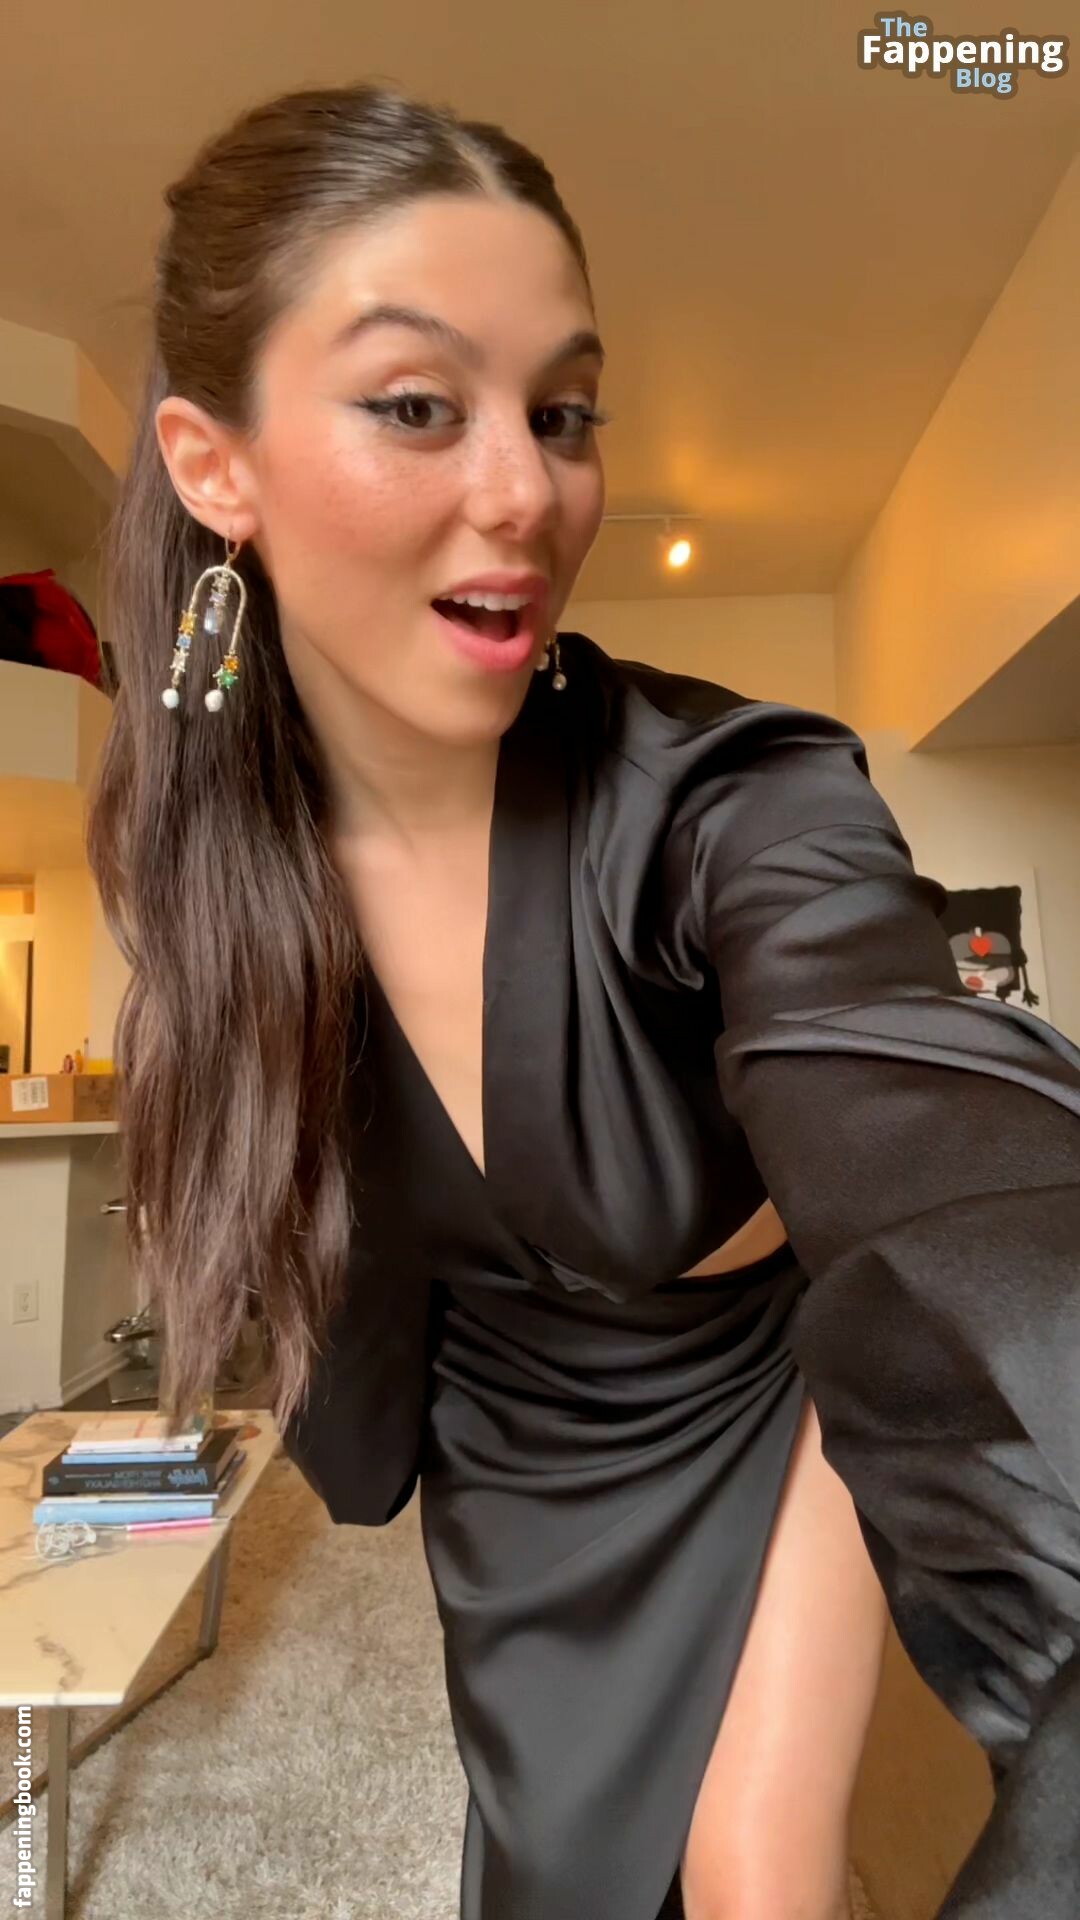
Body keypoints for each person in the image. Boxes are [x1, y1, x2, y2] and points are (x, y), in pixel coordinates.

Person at [85, 81, 1080, 1920]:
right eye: (417, 405)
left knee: (757, 1873)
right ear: (215, 466)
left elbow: (962, 1193)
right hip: (524, 1461)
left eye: (560, 414)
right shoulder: (222, 859)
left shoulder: (732, 805)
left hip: (779, 1389)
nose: (525, 492)